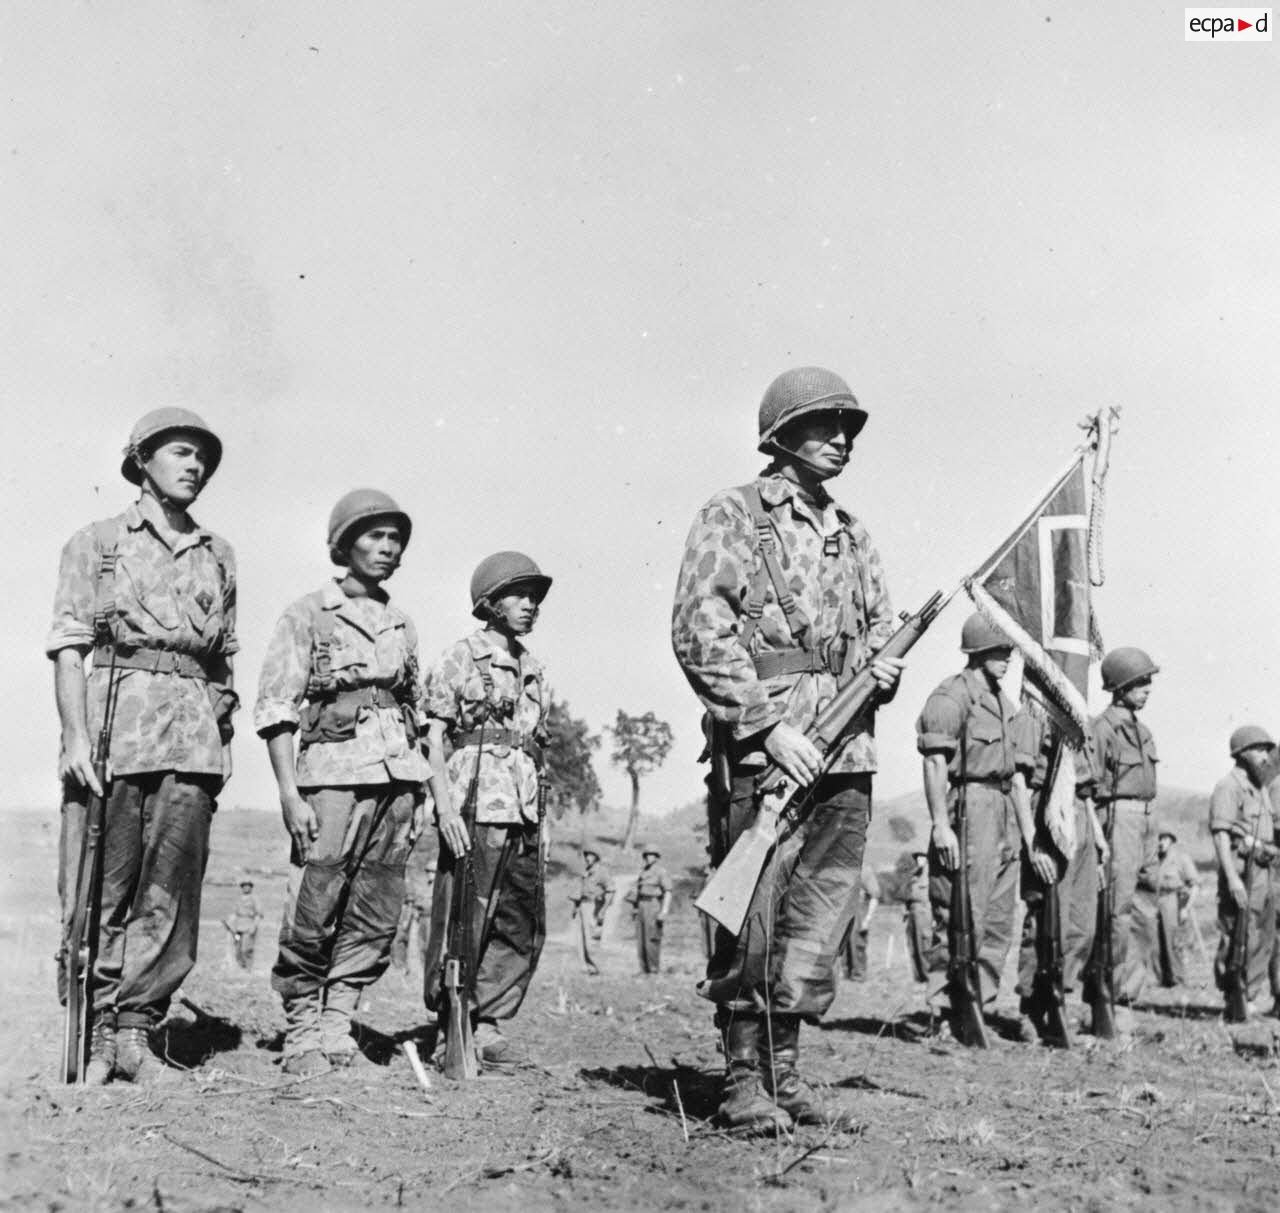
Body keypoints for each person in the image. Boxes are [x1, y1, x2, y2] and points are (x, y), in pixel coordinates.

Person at [672, 366, 904, 1133]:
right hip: (767, 750)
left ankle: (786, 1069)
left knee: (819, 915)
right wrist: (768, 727)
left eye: (848, 427)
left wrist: (885, 668)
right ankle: (742, 1076)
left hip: (846, 751)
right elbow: (699, 628)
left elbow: (879, 626)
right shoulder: (734, 515)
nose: (841, 439)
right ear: (780, 434)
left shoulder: (854, 532)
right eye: (823, 423)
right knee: (754, 910)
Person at [48, 408, 238, 1085]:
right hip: (113, 735)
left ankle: (136, 1032)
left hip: (192, 742)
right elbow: (70, 646)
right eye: (182, 453)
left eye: (203, 459)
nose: (195, 467)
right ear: (143, 460)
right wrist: (73, 735)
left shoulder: (219, 554)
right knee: (101, 890)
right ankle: (97, 1028)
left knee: (170, 895)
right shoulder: (97, 542)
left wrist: (223, 735)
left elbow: (223, 664)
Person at [256, 490, 427, 1076]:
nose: (386, 548)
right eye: (374, 536)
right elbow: (277, 709)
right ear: (344, 543)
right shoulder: (309, 613)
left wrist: (421, 792)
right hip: (330, 778)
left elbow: (415, 712)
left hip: (398, 781)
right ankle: (303, 1028)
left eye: (394, 538)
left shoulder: (402, 622)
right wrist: (287, 792)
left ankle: (338, 1024)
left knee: (376, 908)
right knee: (315, 900)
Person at [421, 551, 552, 1065]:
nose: (530, 605)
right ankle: (449, 1024)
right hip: (474, 803)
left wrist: (547, 822)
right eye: (519, 595)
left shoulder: (536, 669)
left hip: (524, 809)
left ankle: (491, 1023)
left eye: (535, 597)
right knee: (464, 918)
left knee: (519, 920)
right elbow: (431, 740)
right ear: (490, 602)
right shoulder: (461, 657)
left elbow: (542, 749)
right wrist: (445, 810)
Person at [917, 614, 1055, 1038]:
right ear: (977, 651)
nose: (1008, 660)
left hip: (1003, 812)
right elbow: (935, 762)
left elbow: (1016, 776)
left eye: (1009, 652)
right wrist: (941, 825)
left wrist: (1030, 838)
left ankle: (981, 1008)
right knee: (959, 913)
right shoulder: (951, 697)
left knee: (997, 919)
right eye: (1000, 651)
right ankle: (945, 1013)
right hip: (968, 806)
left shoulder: (1004, 705)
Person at [1014, 720, 1108, 1038]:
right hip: (1047, 812)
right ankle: (1031, 1008)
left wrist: (1097, 835)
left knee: (1082, 925)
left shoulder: (1083, 719)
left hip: (1079, 816)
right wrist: (1031, 843)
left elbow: (1086, 791)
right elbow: (1020, 782)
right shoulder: (1034, 715)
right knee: (1045, 920)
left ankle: (1061, 999)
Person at [1089, 646, 1161, 1027]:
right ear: (1120, 687)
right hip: (1118, 820)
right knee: (1117, 912)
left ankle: (1129, 996)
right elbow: (1091, 787)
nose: (1147, 689)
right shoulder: (1103, 729)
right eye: (1140, 682)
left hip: (1147, 820)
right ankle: (1111, 1001)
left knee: (1145, 911)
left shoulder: (1142, 731)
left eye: (1148, 681)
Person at [1209, 726, 1277, 1019]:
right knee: (1235, 933)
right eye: (1259, 749)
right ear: (1242, 752)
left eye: (1266, 750)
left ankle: (1249, 995)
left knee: (1260, 934)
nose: (1265, 756)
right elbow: (1221, 834)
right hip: (1240, 869)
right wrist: (1232, 877)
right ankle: (1232, 996)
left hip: (1262, 870)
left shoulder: (1260, 788)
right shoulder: (1229, 786)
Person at [1150, 828, 1198, 988]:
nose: (1160, 842)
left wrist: (1186, 907)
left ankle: (1178, 979)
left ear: (1171, 840)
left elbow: (1195, 885)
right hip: (1156, 900)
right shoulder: (1154, 859)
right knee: (1155, 942)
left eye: (1164, 839)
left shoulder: (1181, 858)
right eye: (1158, 839)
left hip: (1173, 900)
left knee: (1174, 942)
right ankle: (1162, 979)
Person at [391, 831, 437, 973]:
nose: (430, 874)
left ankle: (429, 970)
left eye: (432, 872)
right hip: (418, 915)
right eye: (428, 871)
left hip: (431, 919)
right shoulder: (423, 885)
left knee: (430, 946)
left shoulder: (437, 888)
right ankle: (409, 967)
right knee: (416, 942)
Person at [626, 845, 672, 974]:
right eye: (646, 855)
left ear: (656, 858)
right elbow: (637, 891)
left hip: (653, 905)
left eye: (651, 855)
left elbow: (668, 891)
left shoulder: (661, 872)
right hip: (641, 905)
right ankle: (643, 969)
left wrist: (664, 911)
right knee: (641, 938)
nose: (648, 857)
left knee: (652, 938)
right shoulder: (643, 872)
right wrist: (635, 909)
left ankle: (653, 969)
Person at [571, 845, 615, 975]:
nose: (587, 858)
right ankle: (584, 966)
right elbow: (580, 889)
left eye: (590, 855)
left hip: (594, 906)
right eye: (586, 855)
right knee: (580, 938)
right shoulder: (586, 871)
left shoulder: (602, 872)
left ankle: (595, 966)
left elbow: (611, 890)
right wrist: (575, 906)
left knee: (591, 938)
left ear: (596, 857)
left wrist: (603, 910)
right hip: (583, 905)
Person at [838, 867, 881, 982]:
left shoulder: (866, 871)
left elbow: (875, 897)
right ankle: (845, 972)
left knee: (857, 943)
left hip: (860, 911)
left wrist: (868, 919)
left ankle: (859, 975)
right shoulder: (843, 868)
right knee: (843, 944)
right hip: (844, 910)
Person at [902, 852, 931, 984]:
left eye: (922, 856)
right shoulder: (914, 874)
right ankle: (918, 976)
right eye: (917, 857)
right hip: (912, 911)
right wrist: (905, 910)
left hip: (925, 910)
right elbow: (907, 894)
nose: (919, 860)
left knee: (925, 943)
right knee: (912, 943)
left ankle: (928, 976)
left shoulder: (930, 874)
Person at [224, 878, 263, 971]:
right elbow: (234, 913)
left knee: (246, 948)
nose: (246, 887)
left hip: (249, 927)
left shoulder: (254, 899)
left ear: (251, 887)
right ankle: (242, 967)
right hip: (238, 928)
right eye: (244, 886)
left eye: (248, 886)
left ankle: (248, 968)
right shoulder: (238, 899)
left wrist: (254, 926)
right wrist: (230, 925)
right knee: (238, 949)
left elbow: (258, 914)